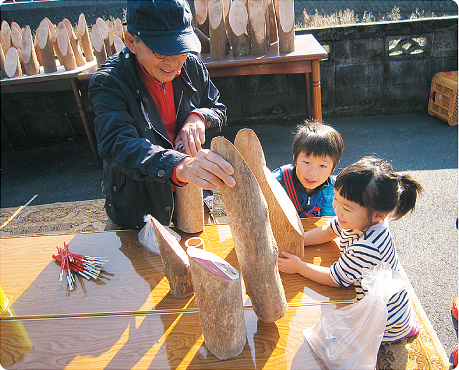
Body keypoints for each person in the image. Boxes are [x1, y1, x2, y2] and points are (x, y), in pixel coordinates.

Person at [88, 0, 235, 229]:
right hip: (138, 204)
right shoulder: (109, 82)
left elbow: (217, 107)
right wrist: (179, 165)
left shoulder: (191, 65)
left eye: (181, 49)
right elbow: (117, 143)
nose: (174, 62)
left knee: (199, 256)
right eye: (160, 51)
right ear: (131, 42)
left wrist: (198, 116)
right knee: (135, 264)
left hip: (191, 195)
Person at [278, 156, 423, 343]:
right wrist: (297, 241)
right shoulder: (361, 219)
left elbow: (335, 278)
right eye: (336, 200)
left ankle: (398, 336)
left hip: (385, 323)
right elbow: (329, 230)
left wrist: (299, 267)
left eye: (346, 207)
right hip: (382, 299)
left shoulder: (368, 247)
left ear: (379, 215)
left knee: (332, 342)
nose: (336, 209)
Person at [272, 121, 343, 218]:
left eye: (322, 166)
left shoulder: (331, 190)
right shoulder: (276, 184)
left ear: (333, 168)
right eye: (306, 162)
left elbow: (329, 222)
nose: (312, 173)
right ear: (295, 159)